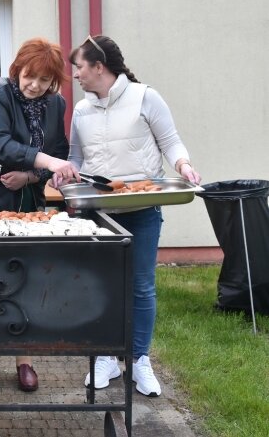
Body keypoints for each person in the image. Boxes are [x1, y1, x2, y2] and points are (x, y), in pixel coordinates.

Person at [60, 34, 201, 398]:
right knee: (102, 287)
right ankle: (106, 356)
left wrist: (184, 166)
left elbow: (170, 141)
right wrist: (65, 172)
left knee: (140, 286)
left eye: (79, 67)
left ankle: (139, 360)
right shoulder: (81, 110)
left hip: (141, 211)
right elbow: (76, 158)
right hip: (98, 214)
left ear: (98, 67)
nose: (75, 74)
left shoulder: (145, 97)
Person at [0, 37, 77, 392]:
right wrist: (46, 162)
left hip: (26, 200)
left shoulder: (56, 104)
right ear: (17, 69)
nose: (35, 85)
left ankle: (25, 356)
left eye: (44, 80)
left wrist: (31, 174)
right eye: (30, 75)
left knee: (25, 277)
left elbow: (58, 149)